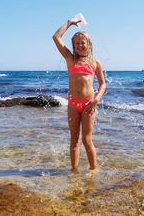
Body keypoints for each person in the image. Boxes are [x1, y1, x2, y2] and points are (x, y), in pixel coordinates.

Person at [52, 18, 106, 174]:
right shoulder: (70, 59)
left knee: (87, 140)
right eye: (77, 44)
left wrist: (96, 99)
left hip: (89, 104)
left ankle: (93, 170)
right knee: (74, 140)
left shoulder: (95, 62)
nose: (80, 45)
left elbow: (103, 84)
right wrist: (70, 23)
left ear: (89, 44)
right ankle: (74, 171)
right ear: (73, 46)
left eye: (83, 42)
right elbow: (56, 37)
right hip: (73, 105)